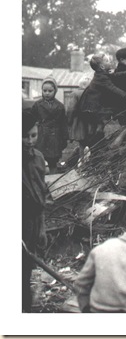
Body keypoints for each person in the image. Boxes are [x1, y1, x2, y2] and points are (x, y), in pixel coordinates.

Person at [22, 109, 49, 312]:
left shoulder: (38, 158)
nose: (30, 140)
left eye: (34, 135)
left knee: (26, 268)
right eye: (25, 136)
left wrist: (42, 227)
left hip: (33, 221)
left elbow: (42, 194)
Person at [78, 53, 126, 146]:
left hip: (92, 105)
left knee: (97, 125)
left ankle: (95, 143)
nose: (109, 62)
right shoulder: (101, 77)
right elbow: (112, 88)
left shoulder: (101, 74)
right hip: (92, 107)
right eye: (107, 61)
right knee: (96, 125)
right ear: (102, 66)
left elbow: (114, 76)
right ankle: (95, 144)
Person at [31, 77, 69, 173]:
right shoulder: (37, 105)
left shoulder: (60, 106)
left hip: (55, 137)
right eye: (45, 90)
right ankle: (40, 181)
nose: (47, 93)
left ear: (55, 91)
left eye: (50, 91)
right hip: (41, 136)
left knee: (53, 161)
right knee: (39, 159)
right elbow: (31, 121)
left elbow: (63, 123)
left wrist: (65, 138)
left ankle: (52, 181)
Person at [66, 75, 91, 161]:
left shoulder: (75, 94)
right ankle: (89, 160)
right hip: (91, 122)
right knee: (90, 142)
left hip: (80, 122)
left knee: (82, 143)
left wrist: (69, 120)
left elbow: (71, 109)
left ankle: (82, 160)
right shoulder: (92, 93)